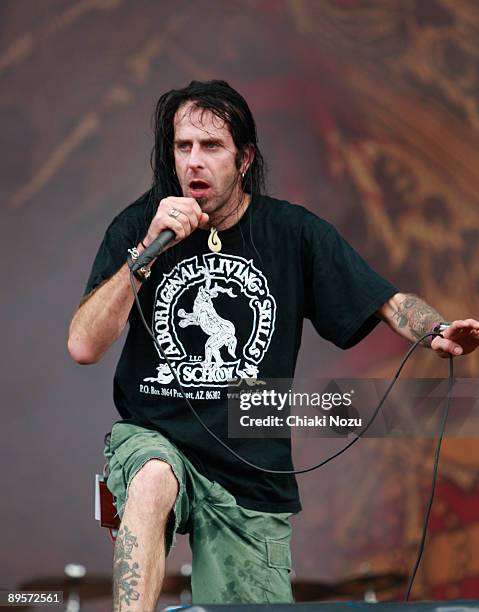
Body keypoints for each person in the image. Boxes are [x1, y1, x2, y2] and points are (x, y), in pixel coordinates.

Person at [68, 80, 479, 610]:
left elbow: (384, 300)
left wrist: (436, 332)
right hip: (155, 435)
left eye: (211, 147)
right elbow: (82, 345)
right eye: (183, 147)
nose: (194, 162)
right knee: (151, 477)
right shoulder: (139, 227)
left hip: (250, 469)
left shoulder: (293, 232)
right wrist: (145, 253)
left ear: (244, 158)